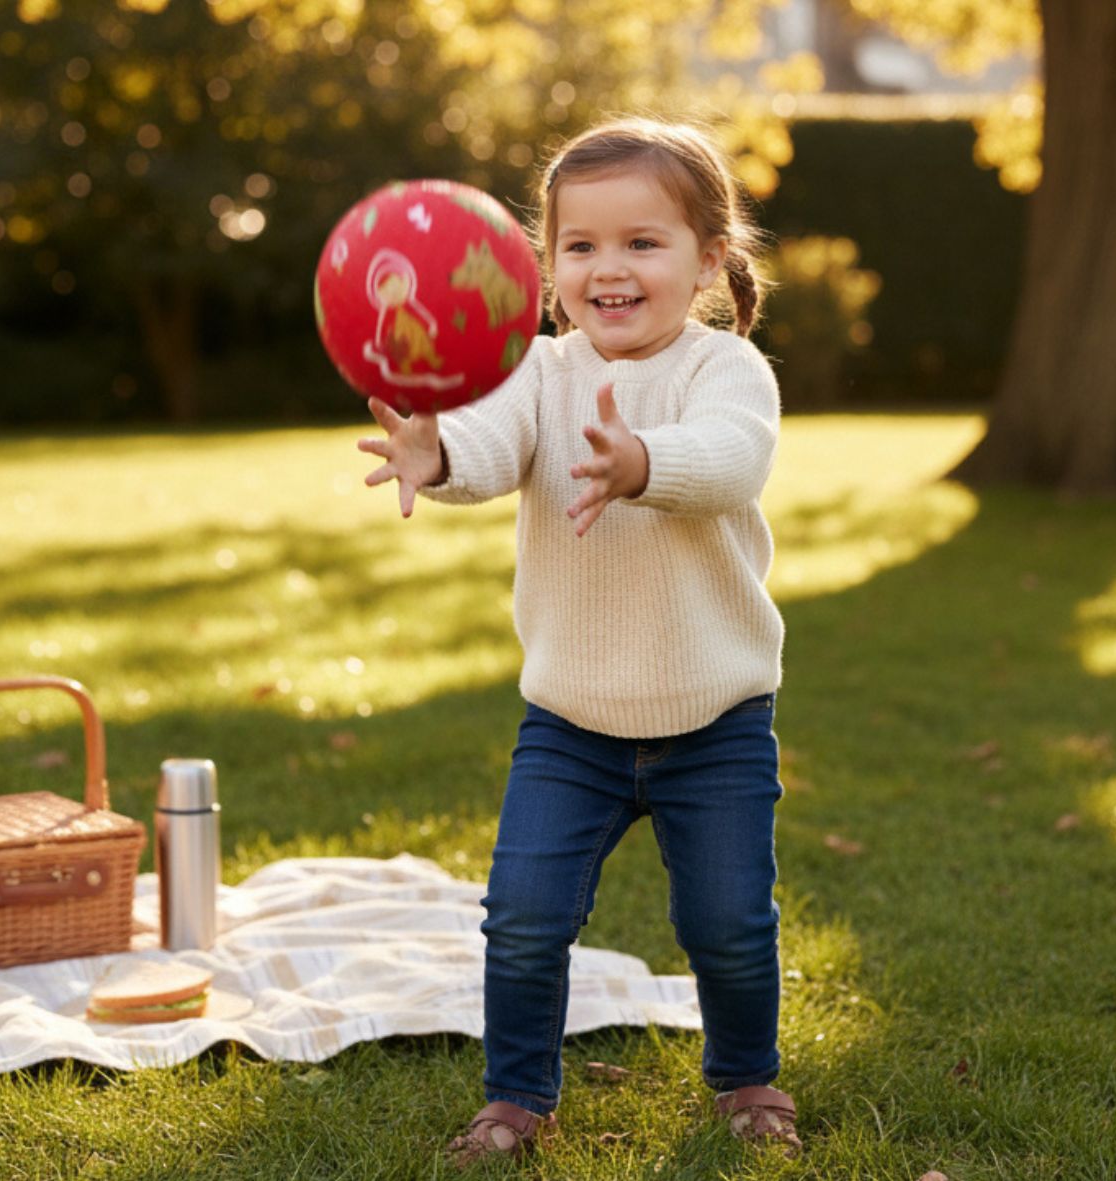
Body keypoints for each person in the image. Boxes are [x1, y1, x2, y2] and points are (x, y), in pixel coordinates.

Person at [357, 116, 799, 1166]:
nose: (608, 268)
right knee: (519, 916)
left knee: (730, 923)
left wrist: (643, 461)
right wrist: (437, 454)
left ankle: (744, 1074)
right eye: (579, 244)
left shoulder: (726, 370)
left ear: (707, 258)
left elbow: (731, 458)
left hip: (714, 719)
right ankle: (516, 1096)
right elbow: (488, 442)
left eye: (642, 242)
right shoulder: (540, 372)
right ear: (544, 261)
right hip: (569, 723)